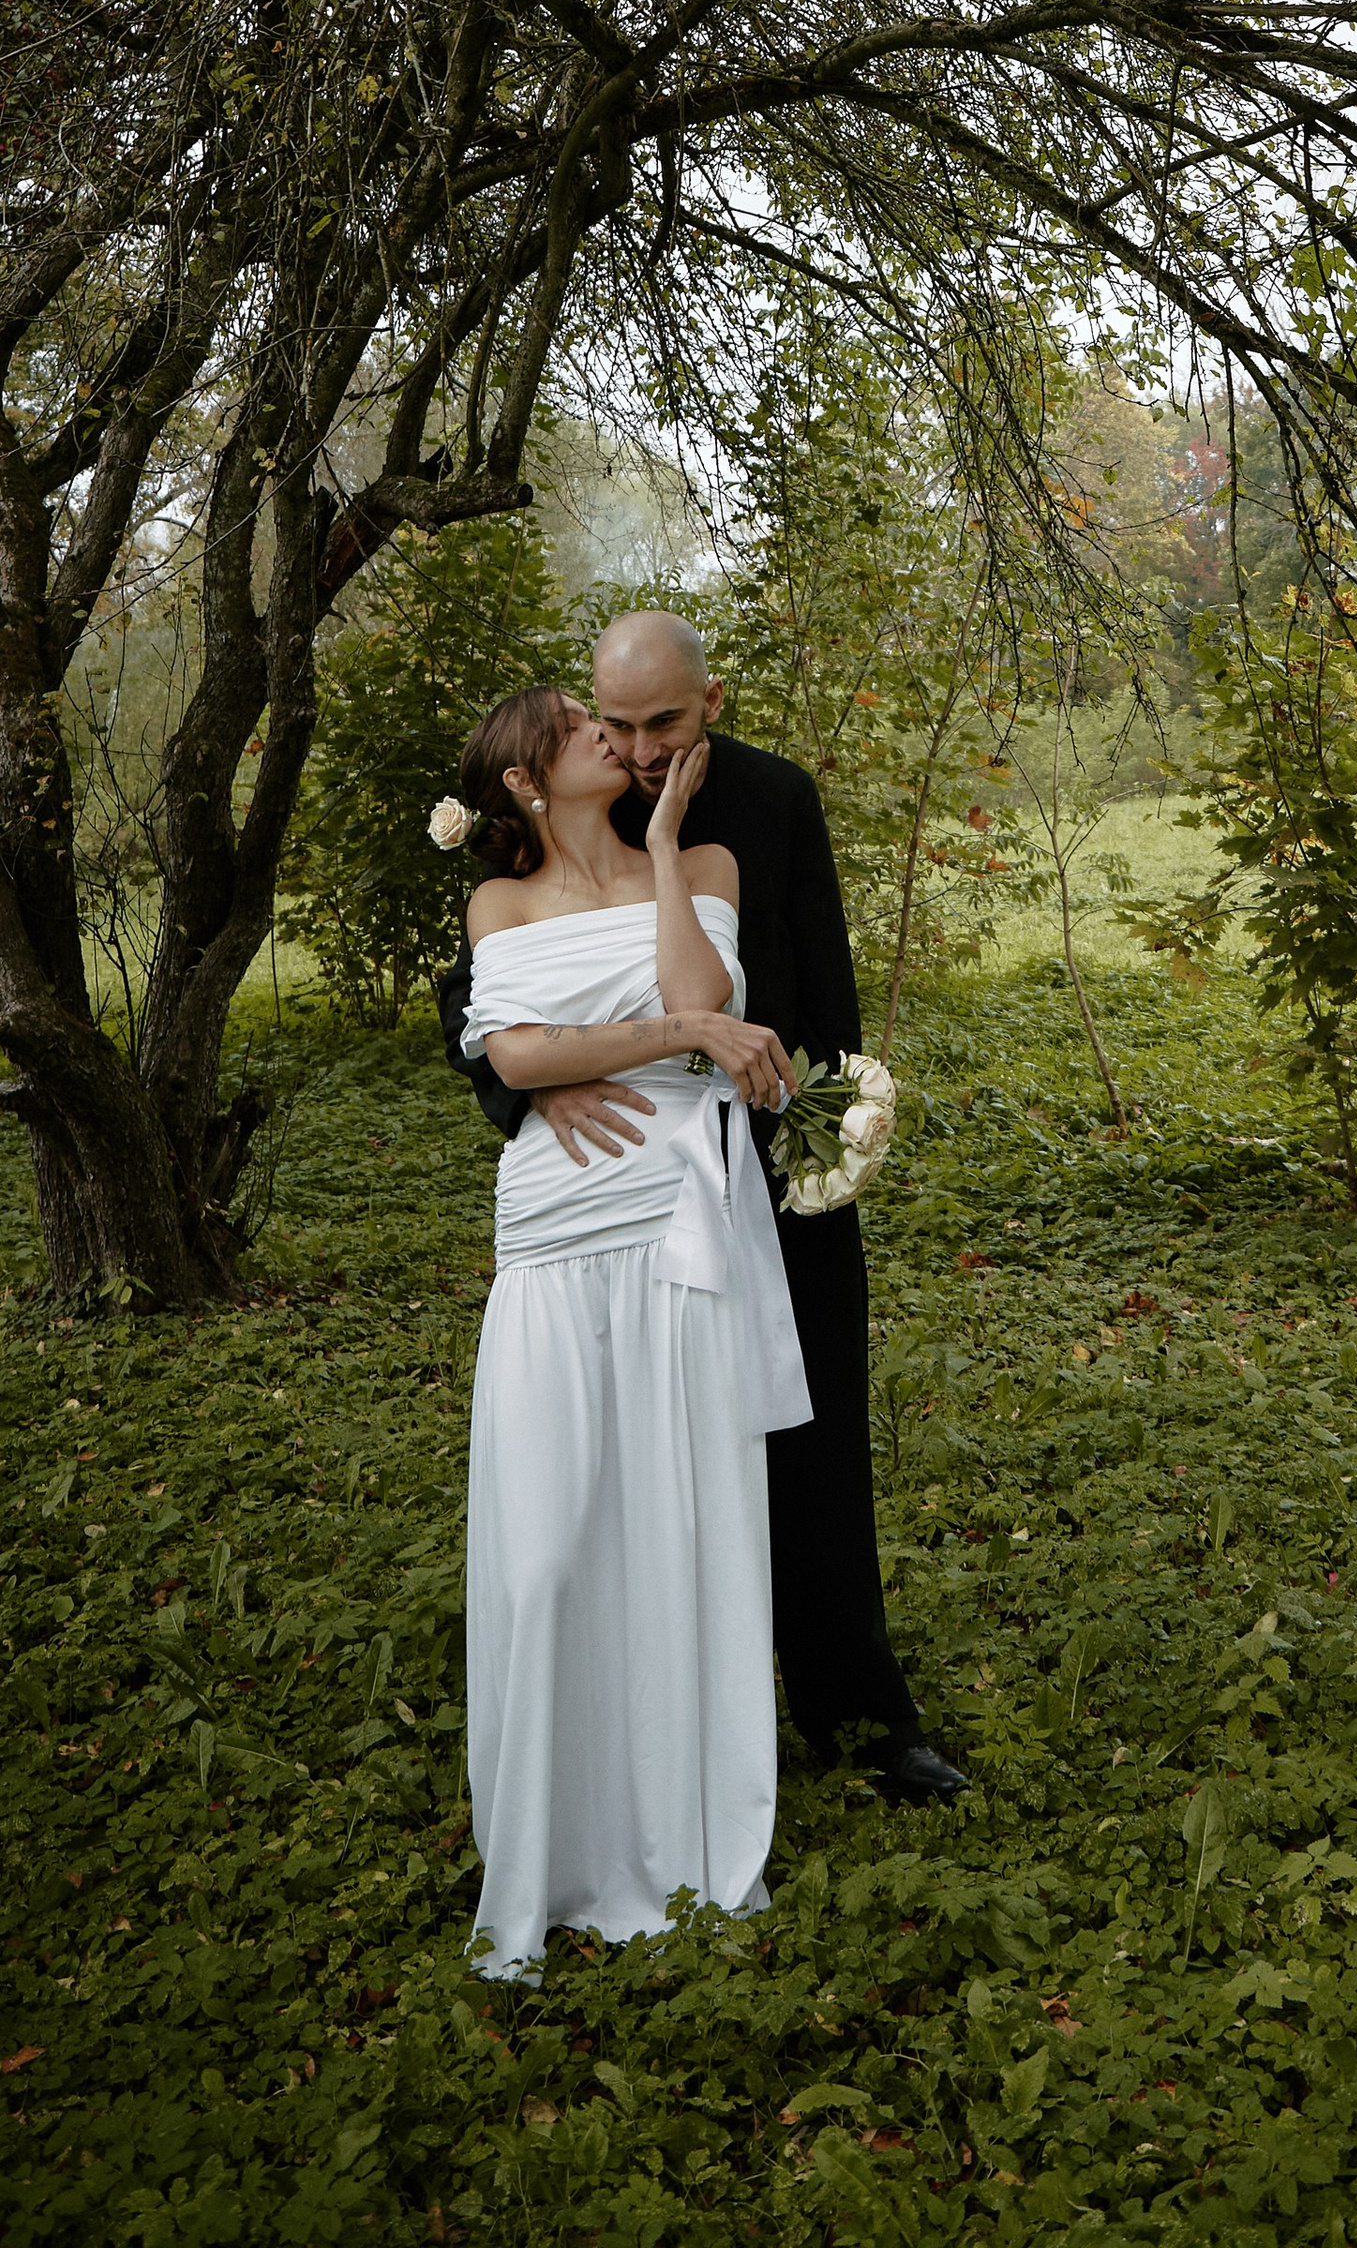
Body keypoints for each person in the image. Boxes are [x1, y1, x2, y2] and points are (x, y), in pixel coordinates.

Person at [438, 611, 967, 1807]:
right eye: (611, 724)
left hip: (766, 1162)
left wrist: (820, 1138)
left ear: (710, 703)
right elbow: (486, 990)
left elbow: (820, 984)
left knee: (815, 1438)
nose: (633, 749)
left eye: (660, 724)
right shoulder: (581, 796)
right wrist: (530, 1086)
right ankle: (636, 1703)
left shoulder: (775, 801)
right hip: (621, 1182)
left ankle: (860, 1716)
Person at [453, 686, 809, 1976]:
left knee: (681, 1518)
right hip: (550, 1231)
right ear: (523, 784)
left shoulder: (698, 857)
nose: (604, 732)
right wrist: (673, 1038)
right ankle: (552, 1840)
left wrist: (659, 851)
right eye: (571, 724)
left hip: (675, 1217)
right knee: (548, 1546)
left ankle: (684, 1827)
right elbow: (521, 1060)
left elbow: (699, 988)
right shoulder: (496, 905)